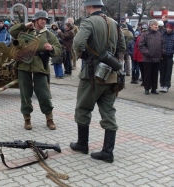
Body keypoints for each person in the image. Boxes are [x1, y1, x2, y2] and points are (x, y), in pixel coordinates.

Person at [69, 0, 126, 163]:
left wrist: (81, 55)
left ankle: (82, 144)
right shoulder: (114, 23)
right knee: (108, 112)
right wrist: (114, 62)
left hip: (92, 74)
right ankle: (107, 152)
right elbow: (122, 47)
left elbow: (78, 43)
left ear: (88, 7)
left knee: (83, 108)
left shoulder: (89, 21)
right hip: (111, 74)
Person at [9, 10, 61, 130]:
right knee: (25, 94)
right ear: (36, 20)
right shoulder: (26, 31)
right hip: (24, 65)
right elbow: (12, 31)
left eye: (45, 19)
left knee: (44, 94)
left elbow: (59, 49)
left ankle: (49, 119)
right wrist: (24, 25)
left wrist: (52, 48)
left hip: (40, 67)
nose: (44, 21)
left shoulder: (49, 35)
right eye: (41, 19)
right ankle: (27, 120)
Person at [139, 19, 165, 95]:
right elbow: (141, 45)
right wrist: (147, 53)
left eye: (157, 25)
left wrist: (162, 52)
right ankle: (147, 88)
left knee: (155, 74)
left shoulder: (159, 34)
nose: (157, 26)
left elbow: (163, 44)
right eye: (155, 25)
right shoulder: (145, 34)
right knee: (147, 74)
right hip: (148, 58)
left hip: (157, 58)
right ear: (151, 26)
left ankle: (154, 88)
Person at [159, 22, 174, 93]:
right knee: (162, 71)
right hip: (162, 56)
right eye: (167, 27)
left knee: (168, 72)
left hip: (169, 56)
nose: (168, 29)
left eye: (170, 28)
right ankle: (162, 84)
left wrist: (172, 51)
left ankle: (166, 85)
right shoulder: (162, 34)